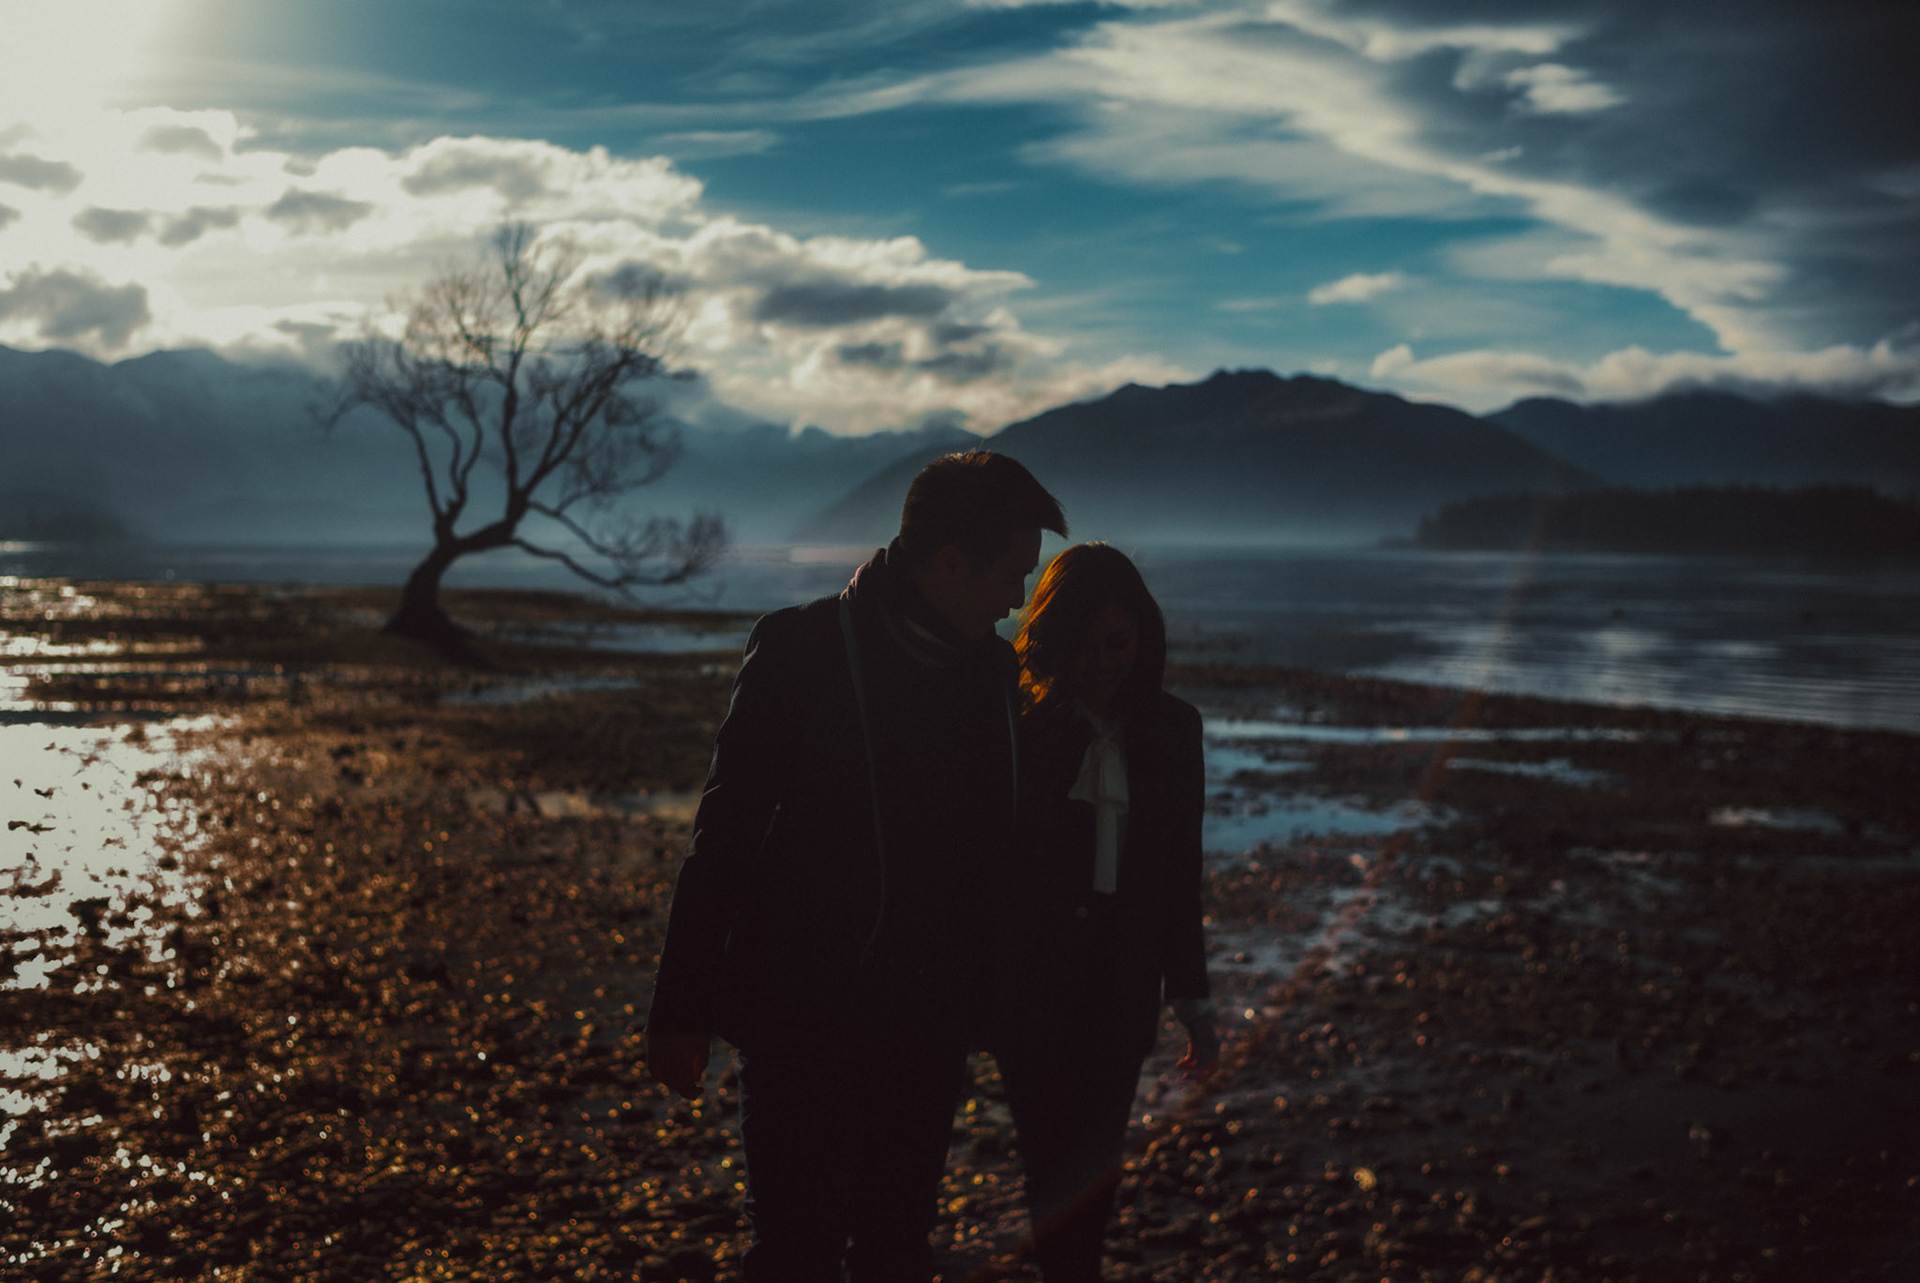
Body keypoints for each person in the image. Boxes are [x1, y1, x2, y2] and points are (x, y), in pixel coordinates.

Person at [645, 451, 1067, 1282]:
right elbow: (723, 834)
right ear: (950, 563)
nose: (1020, 599)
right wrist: (679, 1008)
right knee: (794, 1253)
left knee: (896, 1252)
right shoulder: (801, 649)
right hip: (798, 1016)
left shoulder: (991, 671)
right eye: (1014, 575)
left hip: (927, 1026)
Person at [995, 542, 1219, 1283]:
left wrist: (1193, 999)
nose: (1101, 662)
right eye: (1081, 645)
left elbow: (1177, 875)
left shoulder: (1174, 730)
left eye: (1117, 643)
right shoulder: (1016, 725)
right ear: (1051, 640)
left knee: (1096, 1162)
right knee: (1050, 1162)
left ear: (1143, 634)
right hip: (1029, 990)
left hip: (1123, 992)